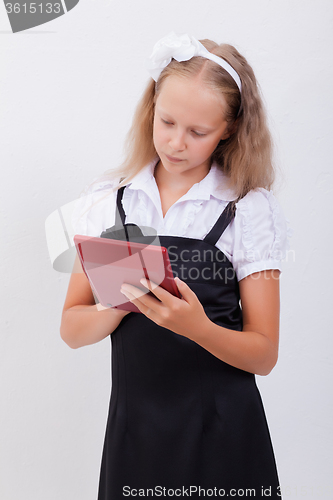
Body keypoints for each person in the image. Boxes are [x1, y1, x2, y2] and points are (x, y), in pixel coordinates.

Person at [61, 32, 290, 499]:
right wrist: (122, 305)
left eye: (197, 132)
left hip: (224, 437)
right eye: (166, 122)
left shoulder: (247, 209)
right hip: (136, 438)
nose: (175, 143)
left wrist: (197, 327)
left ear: (228, 129)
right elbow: (71, 328)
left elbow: (264, 354)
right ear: (151, 108)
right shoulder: (110, 201)